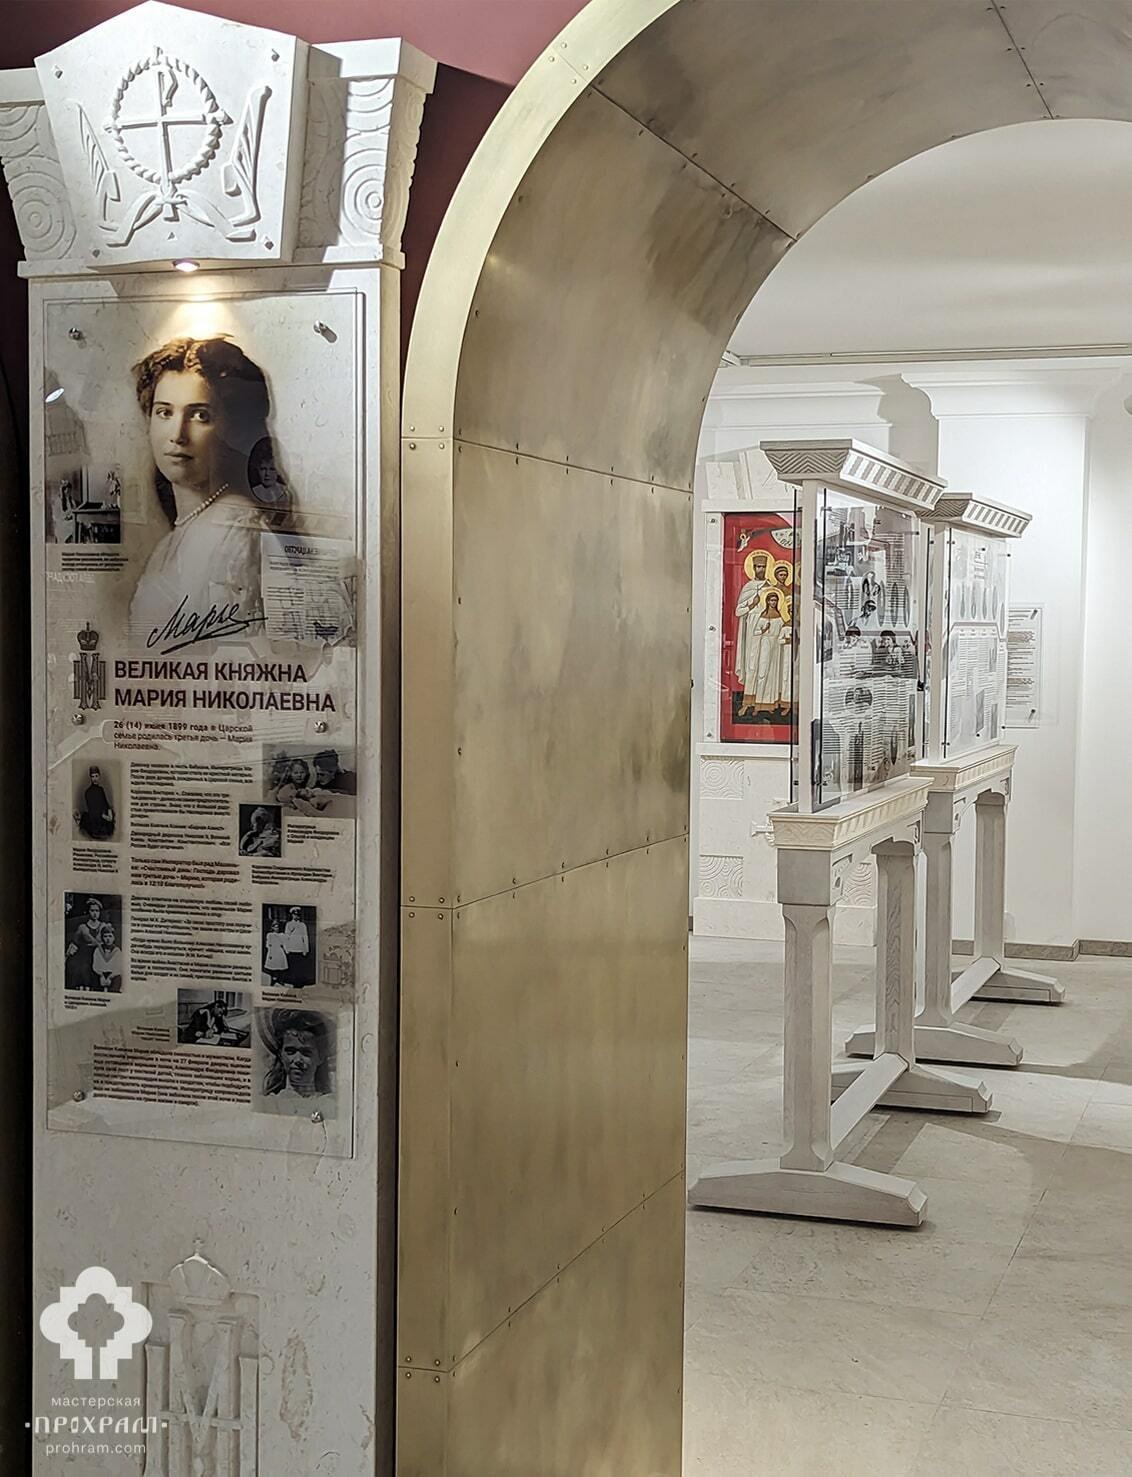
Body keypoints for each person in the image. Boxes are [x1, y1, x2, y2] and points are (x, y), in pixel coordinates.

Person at [127, 337, 294, 647]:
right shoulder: (180, 534)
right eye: (164, 412)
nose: (177, 435)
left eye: (200, 415)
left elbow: (229, 659)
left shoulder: (232, 529)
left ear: (230, 430)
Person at [261, 1009, 332, 1102]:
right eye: (290, 1051)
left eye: (306, 1053)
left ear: (320, 1057)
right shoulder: (270, 1102)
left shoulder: (328, 1102)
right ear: (281, 1055)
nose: (298, 1060)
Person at [65, 897, 105, 990]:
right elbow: (75, 943)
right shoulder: (82, 928)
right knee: (80, 967)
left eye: (97, 911)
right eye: (92, 910)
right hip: (85, 955)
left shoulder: (103, 926)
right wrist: (66, 956)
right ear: (88, 912)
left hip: (99, 954)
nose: (95, 913)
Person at [75, 765, 115, 841]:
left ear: (99, 776)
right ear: (90, 778)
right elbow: (92, 808)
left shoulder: (101, 789)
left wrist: (109, 813)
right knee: (101, 829)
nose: (95, 779)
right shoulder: (88, 792)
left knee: (113, 819)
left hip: (103, 815)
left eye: (96, 776)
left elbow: (105, 803)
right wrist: (104, 816)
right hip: (95, 818)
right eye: (93, 776)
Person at [90, 923, 124, 992]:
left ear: (114, 938)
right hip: (100, 974)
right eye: (105, 936)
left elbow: (119, 968)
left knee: (118, 980)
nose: (108, 939)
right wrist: (101, 975)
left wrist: (110, 977)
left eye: (110, 936)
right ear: (102, 938)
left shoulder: (117, 951)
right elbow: (95, 966)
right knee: (94, 980)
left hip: (112, 975)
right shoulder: (98, 950)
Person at [283, 907, 311, 985]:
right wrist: (286, 948)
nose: (296, 916)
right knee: (292, 966)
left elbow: (305, 937)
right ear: (292, 915)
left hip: (300, 948)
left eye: (297, 915)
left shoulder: (302, 925)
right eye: (294, 915)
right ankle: (292, 981)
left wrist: (306, 949)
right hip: (291, 948)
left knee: (299, 967)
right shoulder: (289, 924)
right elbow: (286, 937)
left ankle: (299, 982)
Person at [263, 919, 290, 985]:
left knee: (280, 966)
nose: (277, 928)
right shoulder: (270, 935)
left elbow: (284, 944)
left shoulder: (282, 935)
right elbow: (268, 945)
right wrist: (270, 954)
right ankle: (273, 979)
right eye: (275, 927)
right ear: (272, 927)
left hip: (280, 951)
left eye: (278, 927)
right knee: (273, 966)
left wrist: (286, 951)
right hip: (273, 951)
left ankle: (280, 979)